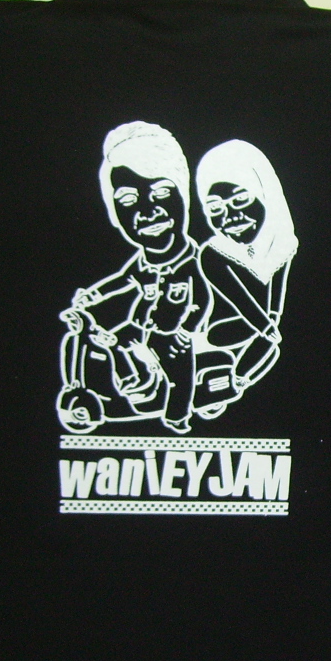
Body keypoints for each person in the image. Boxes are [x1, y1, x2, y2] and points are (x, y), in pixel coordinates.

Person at [58, 121, 210, 434]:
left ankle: (177, 415)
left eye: (161, 192)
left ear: (185, 196)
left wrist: (187, 331)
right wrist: (93, 295)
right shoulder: (142, 263)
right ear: (114, 214)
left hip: (173, 335)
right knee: (114, 338)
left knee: (179, 371)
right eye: (128, 200)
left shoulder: (194, 263)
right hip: (142, 327)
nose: (148, 211)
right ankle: (133, 381)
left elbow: (203, 299)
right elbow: (123, 281)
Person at [193, 139, 298, 418]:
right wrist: (265, 327)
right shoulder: (212, 253)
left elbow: (275, 304)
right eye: (215, 208)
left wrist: (269, 326)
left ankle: (235, 383)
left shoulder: (283, 244)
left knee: (269, 349)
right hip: (218, 332)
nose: (231, 216)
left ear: (265, 194)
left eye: (241, 200)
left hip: (257, 331)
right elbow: (239, 299)